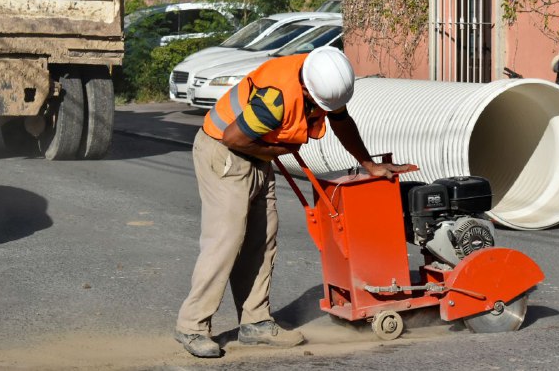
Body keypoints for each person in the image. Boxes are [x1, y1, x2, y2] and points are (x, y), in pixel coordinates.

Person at [175, 46, 411, 358]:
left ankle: (255, 323)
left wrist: (369, 164)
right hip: (225, 154)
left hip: (255, 155)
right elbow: (234, 138)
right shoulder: (275, 100)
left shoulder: (324, 76)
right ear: (305, 88)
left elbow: (341, 121)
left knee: (263, 240)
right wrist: (276, 152)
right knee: (226, 241)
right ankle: (192, 326)